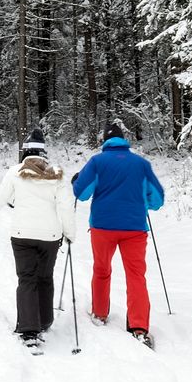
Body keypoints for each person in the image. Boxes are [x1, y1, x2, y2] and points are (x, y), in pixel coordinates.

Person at [71, 122, 165, 347]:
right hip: (134, 228)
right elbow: (157, 199)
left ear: (105, 141)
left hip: (103, 227)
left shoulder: (97, 162)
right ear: (124, 140)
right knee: (136, 276)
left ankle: (100, 313)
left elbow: (81, 193)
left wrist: (76, 180)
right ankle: (139, 327)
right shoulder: (141, 164)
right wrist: (145, 202)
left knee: (102, 270)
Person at [0, 129, 76, 352]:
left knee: (27, 279)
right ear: (44, 152)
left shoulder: (14, 171)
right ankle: (44, 321)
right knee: (45, 277)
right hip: (50, 236)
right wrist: (70, 233)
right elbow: (65, 206)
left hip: (22, 235)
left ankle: (29, 330)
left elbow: (0, 198)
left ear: (24, 152)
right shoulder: (56, 174)